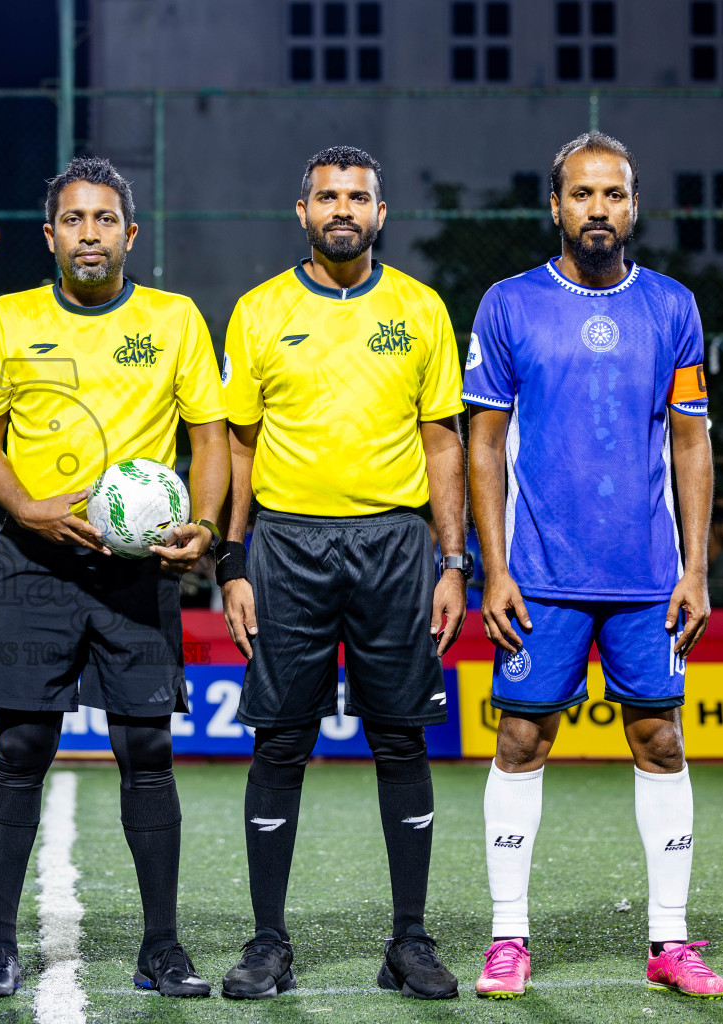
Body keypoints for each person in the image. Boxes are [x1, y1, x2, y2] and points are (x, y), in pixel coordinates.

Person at [464, 132, 723, 999]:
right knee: (521, 739)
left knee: (660, 739)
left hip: (648, 577)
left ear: (634, 206)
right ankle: (509, 937)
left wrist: (694, 569)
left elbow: (691, 443)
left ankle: (670, 942)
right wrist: (491, 569)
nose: (598, 210)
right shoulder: (507, 305)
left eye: (613, 195)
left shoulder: (673, 307)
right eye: (582, 195)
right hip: (538, 576)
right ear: (556, 207)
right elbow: (485, 444)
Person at [0, 156, 228, 999]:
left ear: (129, 234)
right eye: (74, 220)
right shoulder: (9, 318)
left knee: (146, 750)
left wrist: (208, 529)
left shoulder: (175, 318)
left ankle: (162, 948)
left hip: (135, 574)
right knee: (21, 748)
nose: (89, 233)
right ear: (50, 235)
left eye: (105, 219)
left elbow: (212, 440)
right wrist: (27, 508)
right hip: (35, 562)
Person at [216, 146, 467, 1001]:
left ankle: (410, 942)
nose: (342, 209)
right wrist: (232, 560)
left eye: (357, 196)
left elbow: (443, 441)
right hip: (287, 546)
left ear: (381, 213)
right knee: (280, 740)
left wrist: (454, 560)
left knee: (400, 736)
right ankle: (266, 944)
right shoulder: (258, 311)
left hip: (397, 548)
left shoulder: (421, 308)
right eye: (327, 196)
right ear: (302, 212)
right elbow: (239, 446)